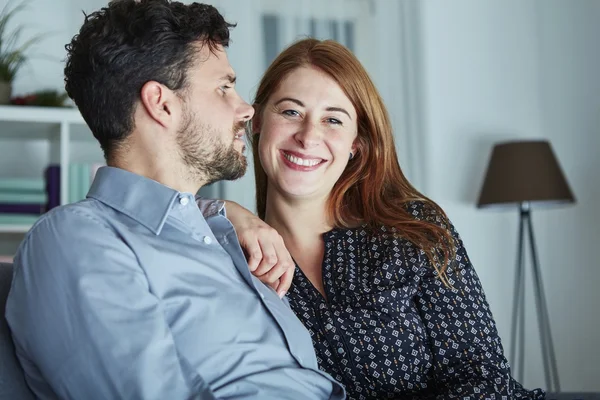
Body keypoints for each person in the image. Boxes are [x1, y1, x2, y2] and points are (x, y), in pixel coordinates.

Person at [5, 2, 344, 399]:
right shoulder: (74, 240)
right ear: (162, 104)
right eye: (223, 87)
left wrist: (223, 212)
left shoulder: (217, 235)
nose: (247, 109)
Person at [233, 38, 547, 399]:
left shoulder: (414, 229)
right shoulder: (231, 255)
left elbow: (484, 378)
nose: (308, 137)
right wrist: (219, 210)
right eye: (291, 112)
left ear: (356, 143)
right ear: (256, 120)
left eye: (333, 119)